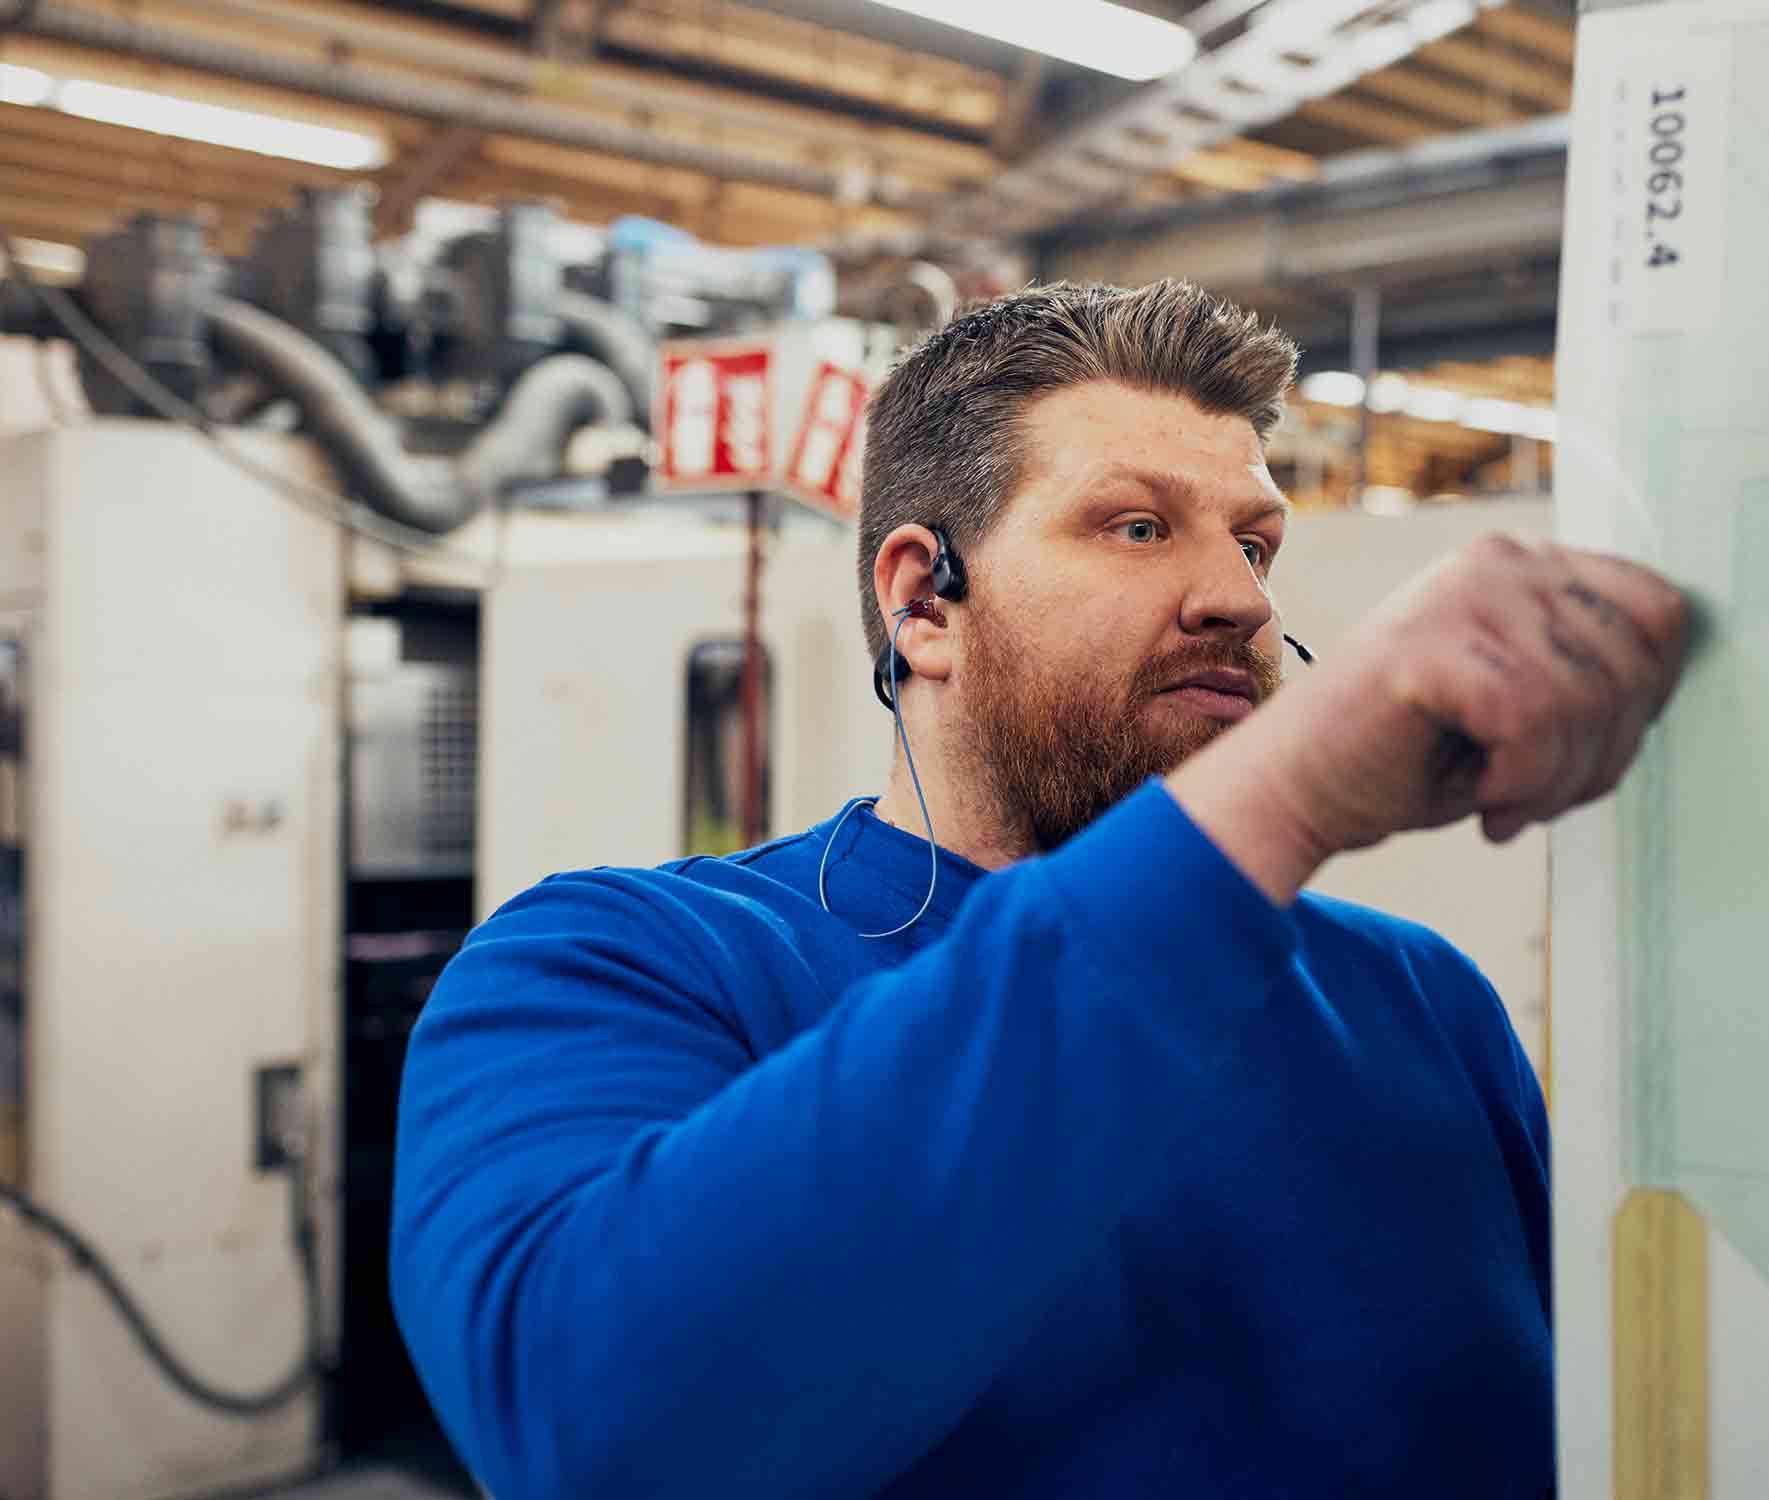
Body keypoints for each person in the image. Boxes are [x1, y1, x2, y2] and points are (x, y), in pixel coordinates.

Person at [391, 280, 1689, 1498]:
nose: (1239, 597)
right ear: (926, 604)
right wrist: (1283, 798)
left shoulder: (1417, 1000)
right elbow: (599, 1432)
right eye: (1138, 527)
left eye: (1256, 542)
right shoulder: (620, 963)